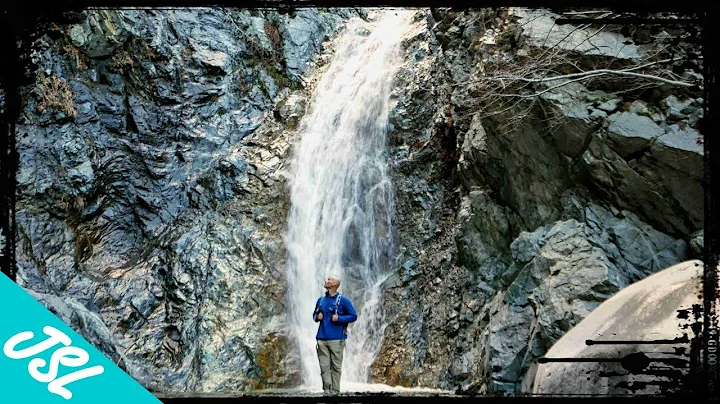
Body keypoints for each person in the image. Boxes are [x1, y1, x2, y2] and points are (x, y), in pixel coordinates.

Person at [312, 275, 358, 395]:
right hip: (321, 338)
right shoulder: (321, 300)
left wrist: (339, 318)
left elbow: (353, 316)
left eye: (329, 280)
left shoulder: (343, 300)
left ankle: (335, 391)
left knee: (336, 367)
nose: (326, 281)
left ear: (333, 285)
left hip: (337, 339)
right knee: (324, 367)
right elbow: (314, 315)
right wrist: (317, 317)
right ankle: (327, 391)